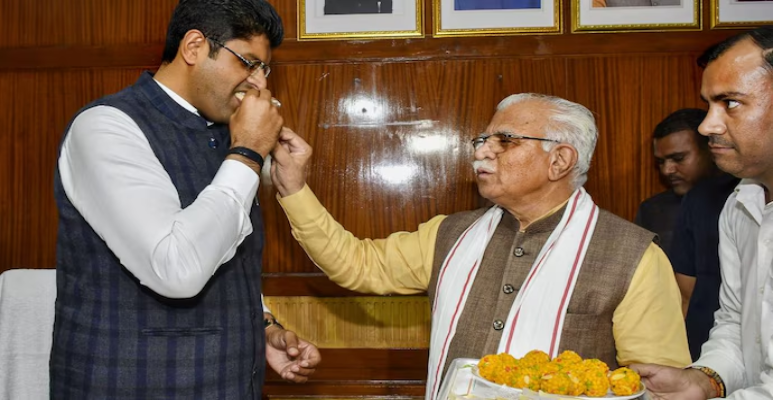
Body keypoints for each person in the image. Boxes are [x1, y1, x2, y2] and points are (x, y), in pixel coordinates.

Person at [269, 93, 691, 400]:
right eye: (482, 140)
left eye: (504, 140)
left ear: (559, 160)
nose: (481, 152)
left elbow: (657, 386)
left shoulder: (633, 256)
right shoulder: (450, 234)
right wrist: (293, 186)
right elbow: (356, 264)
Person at [50, 1, 320, 398]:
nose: (259, 84)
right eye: (248, 63)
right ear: (194, 47)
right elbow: (176, 269)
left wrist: (262, 326)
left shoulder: (226, 135)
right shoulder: (106, 126)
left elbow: (221, 250)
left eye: (265, 69)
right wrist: (248, 151)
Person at [631, 26, 773, 399]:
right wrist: (703, 380)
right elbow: (736, 326)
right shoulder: (740, 204)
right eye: (709, 104)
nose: (707, 125)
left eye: (730, 103)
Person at [670, 173, 739, 360]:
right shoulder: (701, 198)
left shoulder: (703, 197)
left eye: (679, 159)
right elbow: (683, 295)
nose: (668, 169)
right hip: (711, 349)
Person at [635, 108, 717, 256]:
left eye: (678, 158)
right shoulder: (652, 211)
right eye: (660, 162)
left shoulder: (743, 201)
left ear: (710, 150)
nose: (667, 170)